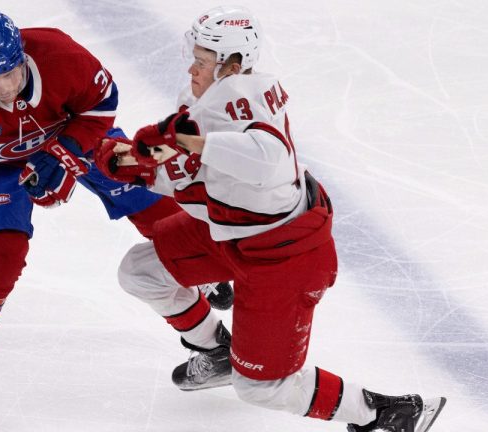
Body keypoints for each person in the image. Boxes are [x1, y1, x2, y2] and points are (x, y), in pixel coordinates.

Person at [95, 6, 446, 432]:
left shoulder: (239, 105)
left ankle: (388, 413)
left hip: (285, 260)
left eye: (204, 61)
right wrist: (135, 161)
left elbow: (268, 160)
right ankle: (216, 350)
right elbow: (192, 171)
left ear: (233, 64)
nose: (192, 67)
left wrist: (177, 147)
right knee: (141, 270)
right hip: (232, 236)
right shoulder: (214, 99)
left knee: (263, 388)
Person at [0, 12, 232, 419]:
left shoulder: (58, 53)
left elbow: (102, 104)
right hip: (1, 168)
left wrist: (67, 153)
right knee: (2, 253)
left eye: (10, 75)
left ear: (24, 58)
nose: (2, 89)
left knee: (151, 201)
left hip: (76, 137)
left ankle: (202, 270)